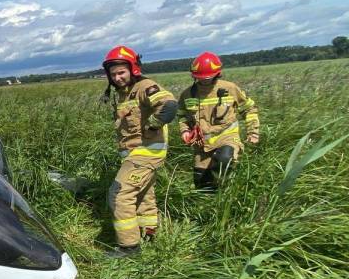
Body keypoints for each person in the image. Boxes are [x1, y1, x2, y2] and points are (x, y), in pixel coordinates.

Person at [101, 45, 178, 258]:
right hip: (136, 155)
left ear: (133, 69)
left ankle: (129, 247)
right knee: (144, 194)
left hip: (146, 153)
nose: (117, 78)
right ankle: (148, 233)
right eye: (113, 74)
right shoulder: (123, 94)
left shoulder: (145, 86)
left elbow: (169, 105)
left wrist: (153, 125)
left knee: (119, 194)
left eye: (121, 72)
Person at [178, 51, 260, 191]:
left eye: (207, 78)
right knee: (202, 185)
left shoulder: (230, 89)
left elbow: (249, 109)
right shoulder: (188, 94)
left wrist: (253, 132)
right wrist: (185, 131)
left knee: (224, 159)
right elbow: (182, 116)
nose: (204, 81)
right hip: (202, 144)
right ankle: (213, 200)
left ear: (217, 73)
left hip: (227, 137)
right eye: (199, 78)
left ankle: (230, 192)